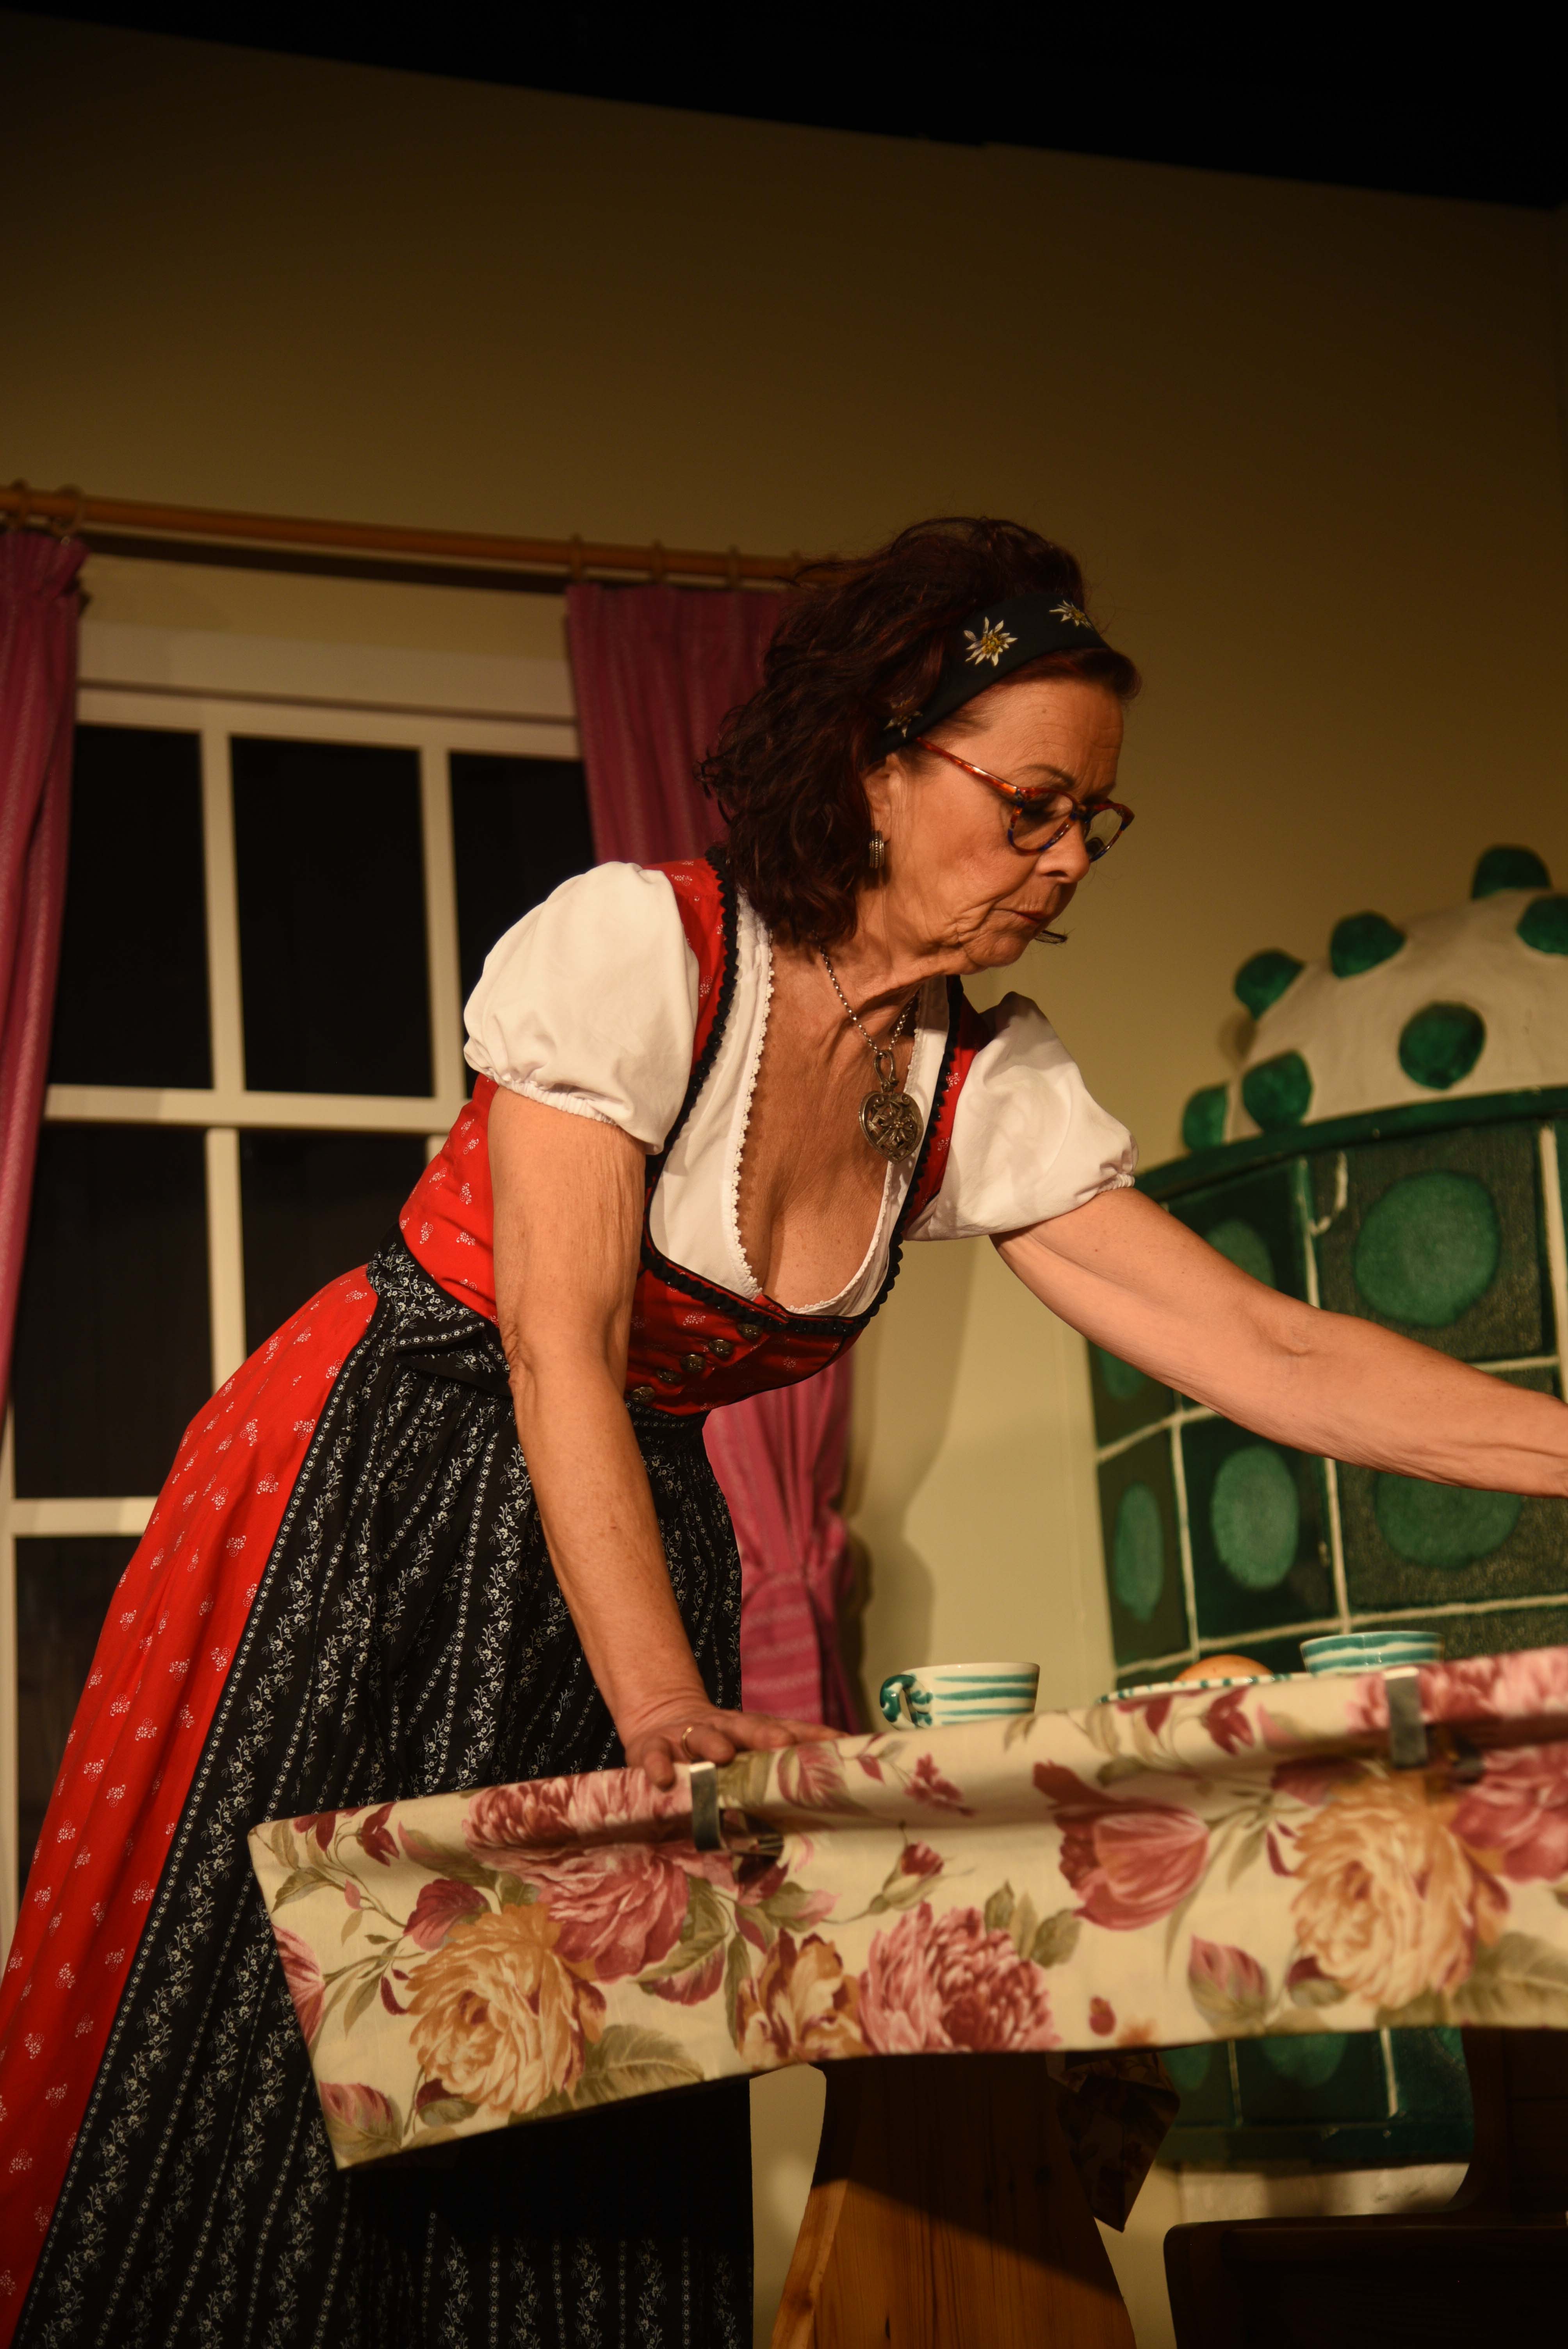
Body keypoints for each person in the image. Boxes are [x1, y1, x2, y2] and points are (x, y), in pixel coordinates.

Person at [2, 517, 1563, 2346]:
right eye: (1031, 805)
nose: (1066, 858)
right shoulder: (638, 952)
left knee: (595, 2067)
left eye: (1092, 820)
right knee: (304, 2067)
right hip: (385, 1496)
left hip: (619, 1528)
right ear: (873, 763)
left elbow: (1269, 1348)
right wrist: (665, 1705)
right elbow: (558, 1350)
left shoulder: (972, 1078)